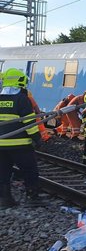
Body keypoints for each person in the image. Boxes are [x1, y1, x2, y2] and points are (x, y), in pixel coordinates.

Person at [0, 68, 45, 208]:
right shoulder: (22, 99)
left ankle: (4, 200)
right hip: (21, 146)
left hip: (1, 145)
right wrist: (37, 138)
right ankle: (33, 199)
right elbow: (29, 123)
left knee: (3, 172)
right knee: (30, 170)